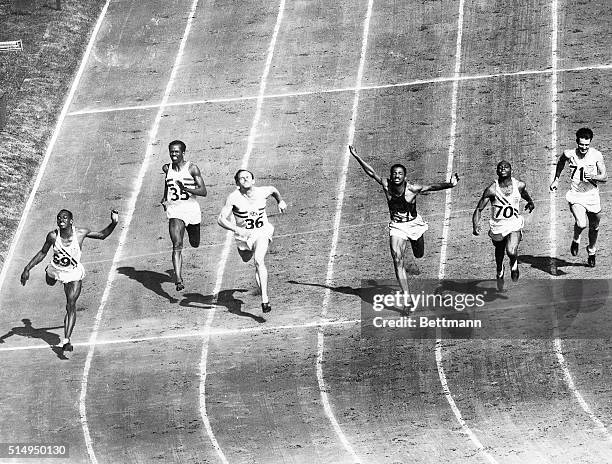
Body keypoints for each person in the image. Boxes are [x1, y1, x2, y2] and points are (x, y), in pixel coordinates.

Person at [349, 145, 459, 308]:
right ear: (391, 176)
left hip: (414, 225)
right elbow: (371, 173)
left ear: (405, 176)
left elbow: (431, 187)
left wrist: (449, 185)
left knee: (419, 254)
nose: (396, 176)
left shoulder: (412, 189)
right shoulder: (386, 185)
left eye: (400, 173)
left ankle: (414, 248)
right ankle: (407, 297)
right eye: (394, 173)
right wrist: (356, 156)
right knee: (396, 257)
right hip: (397, 227)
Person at [20, 209, 119, 351]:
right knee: (49, 282)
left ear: (71, 221)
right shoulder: (53, 236)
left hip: (73, 274)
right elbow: (43, 252)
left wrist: (114, 223)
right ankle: (50, 275)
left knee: (71, 304)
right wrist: (27, 269)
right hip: (55, 269)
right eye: (59, 217)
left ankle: (66, 340)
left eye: (65, 217)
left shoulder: (80, 233)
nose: (61, 219)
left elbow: (102, 235)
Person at [218, 169, 287, 313]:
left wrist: (280, 201)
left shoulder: (262, 192)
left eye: (247, 177)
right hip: (243, 237)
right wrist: (237, 230)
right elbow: (221, 219)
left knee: (258, 260)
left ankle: (265, 300)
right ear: (237, 183)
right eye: (241, 179)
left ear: (253, 180)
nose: (245, 180)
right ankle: (262, 290)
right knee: (246, 258)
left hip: (261, 232)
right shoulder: (233, 198)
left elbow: (274, 190)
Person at [550, 127, 607, 267]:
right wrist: (556, 179)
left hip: (592, 195)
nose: (584, 147)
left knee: (594, 227)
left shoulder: (596, 155)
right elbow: (561, 162)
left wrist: (593, 176)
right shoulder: (569, 154)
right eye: (581, 144)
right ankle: (576, 239)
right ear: (577, 142)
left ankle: (591, 251)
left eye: (586, 145)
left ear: (590, 143)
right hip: (576, 195)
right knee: (581, 223)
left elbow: (604, 177)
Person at [473, 161, 534, 288]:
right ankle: (499, 270)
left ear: (511, 170)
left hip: (514, 223)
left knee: (511, 251)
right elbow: (479, 209)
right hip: (498, 226)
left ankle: (514, 264)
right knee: (499, 251)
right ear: (496, 171)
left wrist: (530, 202)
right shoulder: (492, 190)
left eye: (506, 167)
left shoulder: (519, 185)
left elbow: (524, 194)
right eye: (500, 167)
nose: (503, 168)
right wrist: (475, 224)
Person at [161, 140, 207, 291]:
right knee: (177, 244)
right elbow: (168, 184)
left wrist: (186, 188)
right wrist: (164, 197)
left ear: (183, 153)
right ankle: (178, 280)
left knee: (195, 243)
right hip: (175, 210)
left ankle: (177, 274)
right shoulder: (167, 168)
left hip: (191, 210)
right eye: (171, 151)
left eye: (176, 151)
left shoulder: (192, 168)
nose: (173, 154)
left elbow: (203, 191)